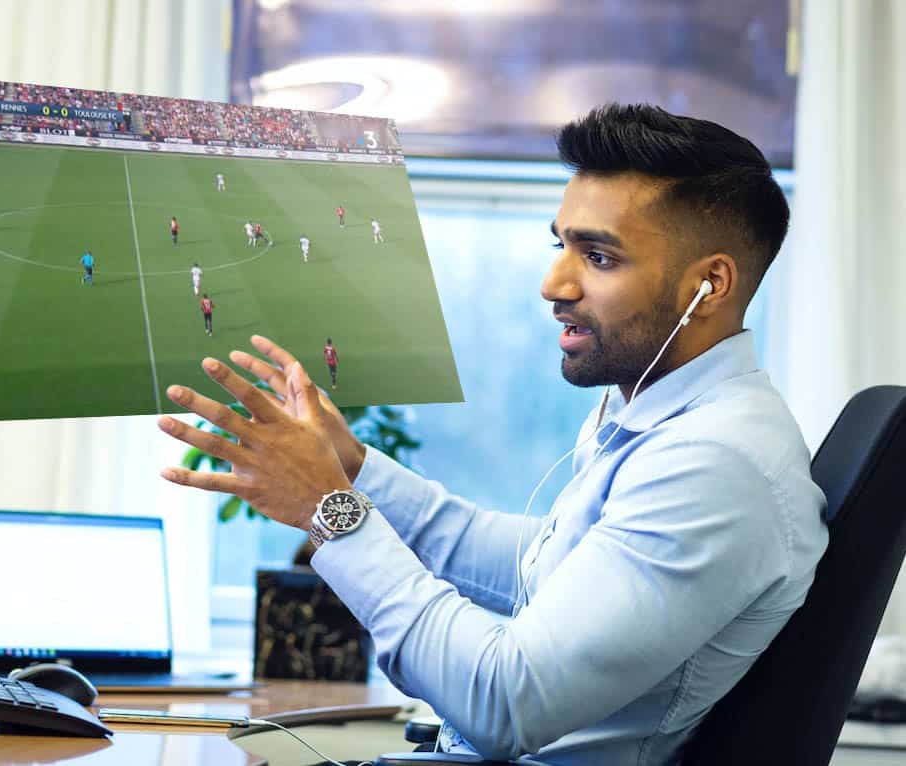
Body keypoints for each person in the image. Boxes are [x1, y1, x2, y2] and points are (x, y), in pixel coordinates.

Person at [155, 104, 828, 764]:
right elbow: (539, 566)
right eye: (561, 246)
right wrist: (356, 470)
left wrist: (326, 509)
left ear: (709, 285)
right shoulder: (668, 418)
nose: (553, 284)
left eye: (598, 257)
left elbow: (504, 702)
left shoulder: (714, 466)